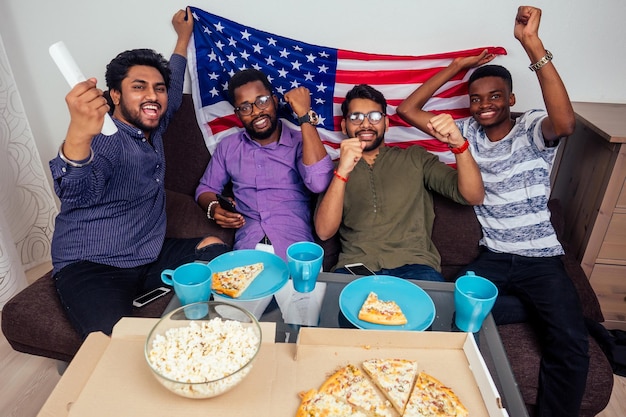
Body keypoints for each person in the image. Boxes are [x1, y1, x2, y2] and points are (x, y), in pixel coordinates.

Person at [396, 6, 589, 416]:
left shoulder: (533, 128)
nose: (485, 106)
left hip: (541, 259)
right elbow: (407, 112)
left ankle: (555, 315)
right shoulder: (465, 132)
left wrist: (531, 44)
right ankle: (538, 311)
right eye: (477, 99)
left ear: (511, 100)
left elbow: (567, 123)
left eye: (495, 97)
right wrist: (455, 66)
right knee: (448, 315)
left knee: (570, 342)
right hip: (495, 258)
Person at [49, 8, 229, 339]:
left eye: (157, 88)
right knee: (118, 345)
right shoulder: (104, 140)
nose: (153, 95)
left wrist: (182, 38)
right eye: (139, 87)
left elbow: (172, 94)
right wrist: (77, 134)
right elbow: (75, 190)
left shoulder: (154, 124)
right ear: (114, 95)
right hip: (94, 266)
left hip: (149, 255)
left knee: (213, 247)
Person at [314, 84, 484, 281]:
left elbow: (474, 196)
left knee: (435, 311)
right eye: (356, 117)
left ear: (386, 124)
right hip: (355, 268)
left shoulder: (416, 158)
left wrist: (458, 145)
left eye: (375, 117)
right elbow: (324, 232)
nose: (365, 124)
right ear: (344, 126)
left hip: (416, 267)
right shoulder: (335, 168)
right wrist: (342, 172)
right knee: (333, 310)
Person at [195, 69, 334, 261]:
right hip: (248, 247)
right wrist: (213, 207)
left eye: (262, 101)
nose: (256, 112)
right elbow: (206, 188)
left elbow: (319, 183)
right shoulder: (229, 147)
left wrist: (303, 116)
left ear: (275, 101)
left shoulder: (301, 142)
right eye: (245, 107)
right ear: (237, 114)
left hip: (294, 250)